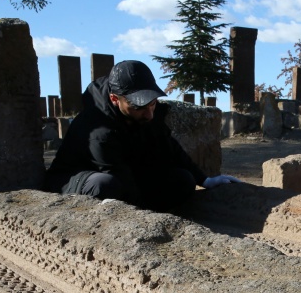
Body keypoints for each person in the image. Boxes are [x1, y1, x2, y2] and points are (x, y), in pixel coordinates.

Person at [44, 60, 239, 211]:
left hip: (125, 173)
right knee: (106, 185)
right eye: (139, 107)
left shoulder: (145, 111)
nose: (149, 114)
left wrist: (205, 180)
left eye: (152, 104)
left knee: (182, 179)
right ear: (115, 99)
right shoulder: (98, 130)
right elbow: (120, 176)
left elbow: (169, 146)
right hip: (79, 179)